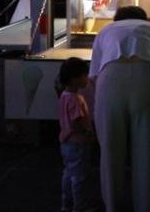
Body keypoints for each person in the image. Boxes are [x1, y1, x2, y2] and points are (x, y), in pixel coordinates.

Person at [91, 5, 150, 212]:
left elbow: (94, 75)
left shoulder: (105, 31)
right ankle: (143, 206)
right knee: (145, 150)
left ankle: (112, 206)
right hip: (146, 79)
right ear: (144, 18)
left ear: (117, 19)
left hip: (110, 81)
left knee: (110, 150)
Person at [58, 57, 96, 212]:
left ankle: (66, 204)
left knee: (68, 173)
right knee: (79, 177)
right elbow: (77, 121)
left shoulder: (64, 96)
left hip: (66, 142)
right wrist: (88, 132)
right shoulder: (75, 99)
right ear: (75, 79)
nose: (87, 78)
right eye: (85, 75)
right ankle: (79, 206)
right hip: (78, 143)